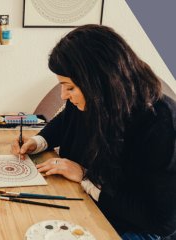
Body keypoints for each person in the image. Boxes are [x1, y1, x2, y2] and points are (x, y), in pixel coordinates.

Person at [11, 24, 176, 239]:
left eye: (69, 87)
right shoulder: (97, 99)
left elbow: (161, 221)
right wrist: (37, 141)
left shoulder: (160, 125)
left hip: (135, 227)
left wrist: (85, 176)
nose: (63, 95)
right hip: (91, 201)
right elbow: (64, 122)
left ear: (100, 82)